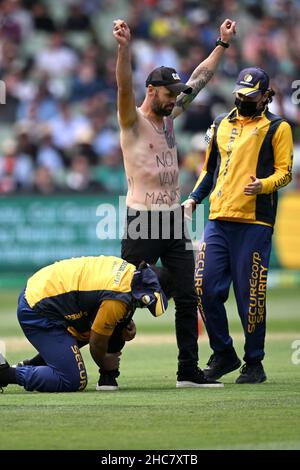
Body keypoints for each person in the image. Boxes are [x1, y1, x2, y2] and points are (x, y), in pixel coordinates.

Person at [112, 18, 236, 388]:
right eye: (169, 93)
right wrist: (124, 48)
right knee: (123, 299)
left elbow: (200, 78)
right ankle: (108, 372)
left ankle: (187, 372)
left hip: (173, 219)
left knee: (187, 296)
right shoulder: (132, 120)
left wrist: (222, 44)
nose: (175, 98)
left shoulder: (170, 117)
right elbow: (122, 86)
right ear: (152, 91)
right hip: (142, 221)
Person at [184, 67, 293, 384]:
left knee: (252, 296)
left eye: (250, 96)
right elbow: (209, 169)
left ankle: (254, 362)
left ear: (264, 97)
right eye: (239, 94)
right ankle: (224, 354)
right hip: (218, 219)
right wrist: (193, 198)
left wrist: (264, 185)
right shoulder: (218, 123)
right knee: (203, 286)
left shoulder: (277, 128)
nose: (243, 100)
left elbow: (285, 172)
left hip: (255, 223)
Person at [0, 256, 173, 393]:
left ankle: (26, 367)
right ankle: (5, 374)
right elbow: (96, 343)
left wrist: (124, 319)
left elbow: (100, 297)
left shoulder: (129, 271)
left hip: (44, 291)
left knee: (110, 328)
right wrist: (105, 362)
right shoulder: (117, 300)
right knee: (74, 380)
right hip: (37, 309)